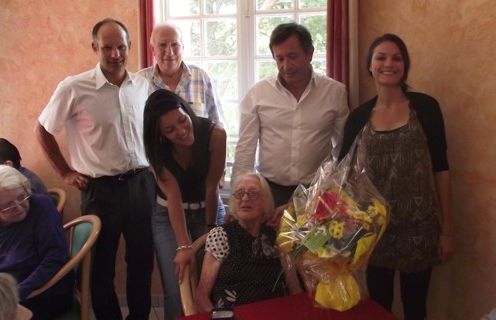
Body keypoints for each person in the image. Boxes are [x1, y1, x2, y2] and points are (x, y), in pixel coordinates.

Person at [34, 18, 155, 320]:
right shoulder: (75, 87)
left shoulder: (142, 85)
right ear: (94, 48)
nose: (115, 54)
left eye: (121, 47)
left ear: (129, 47)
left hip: (141, 185)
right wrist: (64, 172)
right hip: (99, 190)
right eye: (107, 47)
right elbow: (43, 129)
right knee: (100, 268)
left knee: (141, 262)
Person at [338, 34, 455, 320]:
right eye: (381, 57)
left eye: (396, 57)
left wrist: (448, 230)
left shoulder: (426, 108)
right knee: (379, 309)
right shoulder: (358, 118)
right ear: (370, 66)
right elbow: (341, 179)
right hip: (375, 232)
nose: (388, 63)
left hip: (420, 228)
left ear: (405, 65)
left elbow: (441, 169)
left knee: (416, 309)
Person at [230, 23, 349, 222]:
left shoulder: (335, 92)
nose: (286, 66)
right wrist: (237, 204)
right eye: (280, 58)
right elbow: (245, 151)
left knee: (311, 251)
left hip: (315, 193)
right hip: (268, 192)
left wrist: (334, 192)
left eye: (292, 56)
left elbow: (342, 153)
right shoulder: (258, 93)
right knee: (270, 251)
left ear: (310, 53)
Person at [143, 89, 226, 319]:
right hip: (168, 213)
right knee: (176, 285)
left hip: (207, 208)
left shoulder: (215, 135)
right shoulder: (155, 149)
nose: (181, 131)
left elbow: (212, 186)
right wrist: (183, 246)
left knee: (210, 283)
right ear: (159, 134)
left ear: (187, 110)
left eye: (182, 120)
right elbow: (174, 197)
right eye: (170, 130)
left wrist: (209, 230)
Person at [138, 22, 227, 225]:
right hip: (161, 183)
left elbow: (217, 123)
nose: (169, 51)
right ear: (152, 49)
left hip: (203, 187)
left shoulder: (200, 77)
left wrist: (220, 170)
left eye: (175, 44)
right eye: (162, 45)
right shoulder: (139, 82)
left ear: (183, 48)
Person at [194, 173, 302, 312]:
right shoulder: (221, 236)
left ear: (266, 203)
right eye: (239, 193)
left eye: (253, 194)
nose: (245, 198)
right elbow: (201, 296)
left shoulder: (278, 236)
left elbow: (295, 289)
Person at [0, 166, 73, 320]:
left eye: (21, 197)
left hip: (43, 293)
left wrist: (14, 295)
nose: (18, 207)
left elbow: (55, 259)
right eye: (8, 205)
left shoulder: (40, 206)